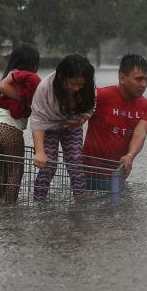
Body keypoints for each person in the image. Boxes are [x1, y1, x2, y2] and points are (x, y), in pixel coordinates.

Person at [83, 54, 147, 190]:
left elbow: (141, 133)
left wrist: (130, 155)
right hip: (88, 173)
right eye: (138, 79)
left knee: (117, 209)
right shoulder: (100, 96)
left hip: (117, 175)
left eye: (146, 79)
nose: (143, 84)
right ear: (122, 78)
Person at [30, 54, 96, 200]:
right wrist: (39, 152)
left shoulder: (88, 88)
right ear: (61, 76)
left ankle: (81, 199)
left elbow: (90, 107)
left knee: (75, 162)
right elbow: (37, 120)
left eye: (81, 85)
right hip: (48, 127)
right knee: (49, 165)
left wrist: (81, 120)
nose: (76, 88)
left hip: (72, 126)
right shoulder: (45, 88)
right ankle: (38, 201)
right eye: (72, 83)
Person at [0, 44, 41, 204]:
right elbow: (29, 101)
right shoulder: (22, 78)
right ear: (30, 63)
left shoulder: (11, 77)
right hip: (10, 130)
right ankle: (8, 207)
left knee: (5, 172)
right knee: (15, 172)